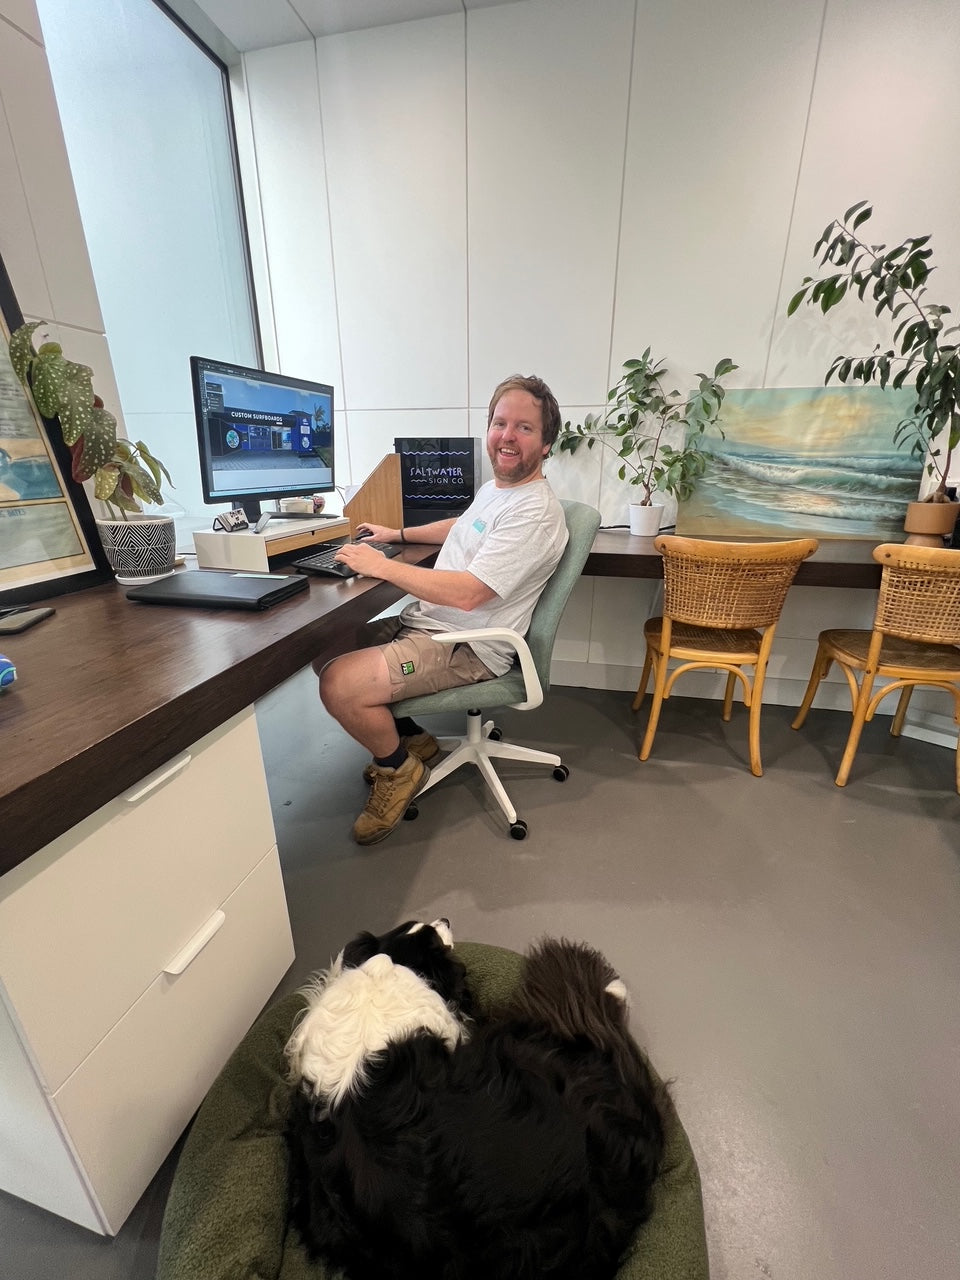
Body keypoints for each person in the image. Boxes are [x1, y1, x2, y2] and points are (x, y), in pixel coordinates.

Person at [317, 374, 569, 846]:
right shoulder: (501, 492)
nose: (507, 436)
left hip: (468, 646)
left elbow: (470, 594)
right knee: (322, 644)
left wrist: (381, 566)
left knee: (339, 683)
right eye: (499, 423)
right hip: (432, 625)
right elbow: (464, 525)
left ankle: (399, 771)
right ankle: (410, 736)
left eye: (524, 428)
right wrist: (397, 534)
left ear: (547, 443)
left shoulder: (534, 512)